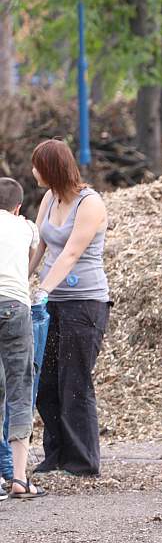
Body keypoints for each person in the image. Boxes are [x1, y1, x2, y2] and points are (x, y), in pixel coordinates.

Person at [28, 139, 110, 477]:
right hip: (51, 303)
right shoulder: (50, 199)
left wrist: (44, 288)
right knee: (46, 381)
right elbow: (41, 246)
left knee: (74, 380)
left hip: (84, 302)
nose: (33, 172)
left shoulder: (89, 203)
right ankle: (55, 454)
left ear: (51, 168)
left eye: (37, 166)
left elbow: (71, 253)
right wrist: (21, 278)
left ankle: (82, 460)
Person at [0, 178, 44, 498]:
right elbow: (35, 249)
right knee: (19, 389)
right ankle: (18, 479)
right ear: (17, 207)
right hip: (16, 306)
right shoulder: (25, 228)